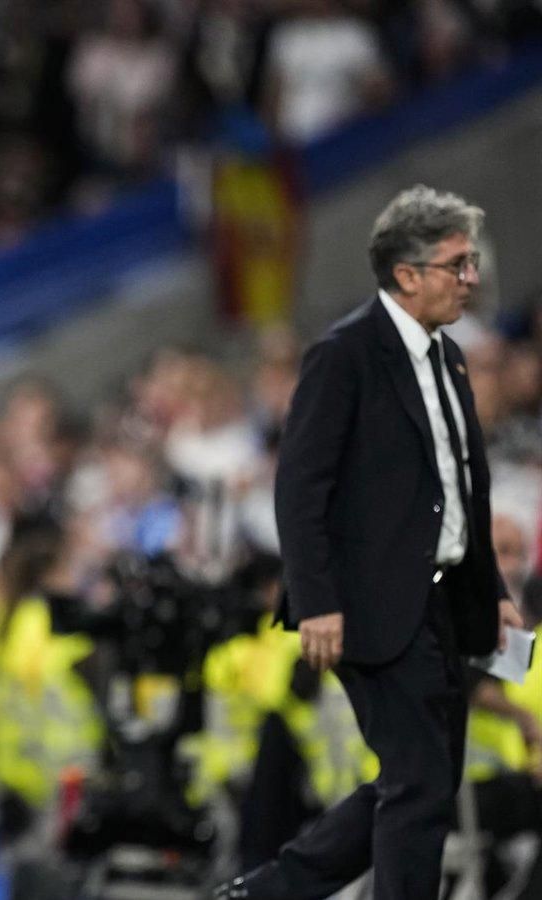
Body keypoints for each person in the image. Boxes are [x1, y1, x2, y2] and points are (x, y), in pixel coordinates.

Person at [214, 184, 520, 899]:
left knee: (421, 779)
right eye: (457, 265)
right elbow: (299, 486)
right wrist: (318, 602)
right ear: (407, 274)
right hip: (370, 606)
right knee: (419, 784)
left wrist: (495, 592)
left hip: (445, 605)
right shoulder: (344, 354)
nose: (471, 279)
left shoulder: (449, 359)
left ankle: (265, 895)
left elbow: (461, 490)